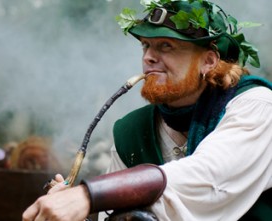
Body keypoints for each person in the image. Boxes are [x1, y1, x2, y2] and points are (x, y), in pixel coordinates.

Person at [22, 0, 272, 220]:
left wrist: (89, 195)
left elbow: (208, 177)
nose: (149, 57)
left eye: (166, 46)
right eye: (145, 45)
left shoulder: (257, 106)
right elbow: (119, 218)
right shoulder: (130, 130)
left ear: (208, 61)